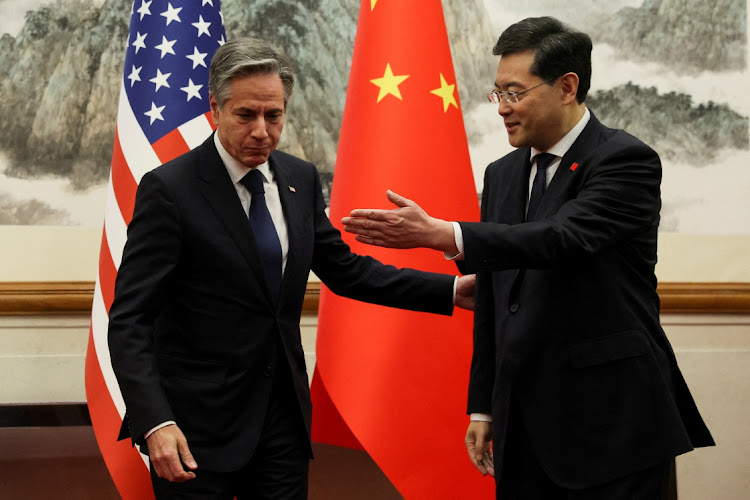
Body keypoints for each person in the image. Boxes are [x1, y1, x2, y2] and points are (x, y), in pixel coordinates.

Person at [342, 16, 714, 499]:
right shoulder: (502, 174)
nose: (502, 109)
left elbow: (562, 238)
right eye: (498, 94)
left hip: (613, 427)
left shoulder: (624, 160)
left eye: (515, 93)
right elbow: (497, 299)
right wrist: (483, 407)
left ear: (566, 87)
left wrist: (446, 234)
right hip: (523, 429)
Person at [107, 37, 475, 499]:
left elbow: (348, 272)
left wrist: (452, 291)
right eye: (246, 115)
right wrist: (156, 420)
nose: (262, 130)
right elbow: (129, 320)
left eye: (274, 115)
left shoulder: (299, 179)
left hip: (282, 420)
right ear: (215, 108)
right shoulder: (170, 189)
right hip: (196, 427)